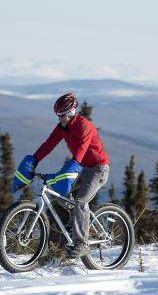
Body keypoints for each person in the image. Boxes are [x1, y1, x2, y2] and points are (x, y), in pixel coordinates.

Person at [13, 93, 110, 258]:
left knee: (80, 201)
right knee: (59, 193)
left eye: (63, 115)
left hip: (98, 169)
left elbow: (81, 150)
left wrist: (69, 169)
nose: (60, 119)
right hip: (82, 168)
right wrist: (34, 160)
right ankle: (76, 222)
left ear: (72, 112)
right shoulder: (62, 128)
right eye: (58, 116)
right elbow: (48, 144)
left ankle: (82, 243)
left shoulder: (84, 126)